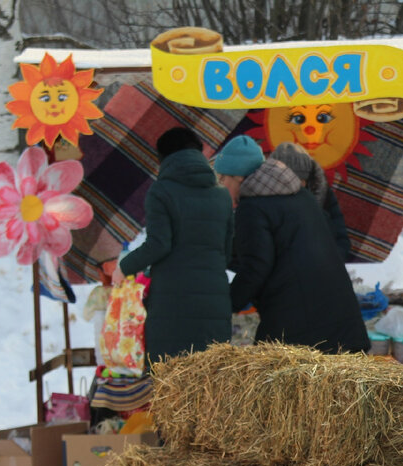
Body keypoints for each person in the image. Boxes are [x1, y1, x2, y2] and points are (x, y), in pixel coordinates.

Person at [214, 135, 369, 355]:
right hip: (340, 322)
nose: (221, 185)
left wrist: (225, 305)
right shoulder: (301, 196)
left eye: (223, 179)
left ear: (239, 177)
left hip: (299, 326)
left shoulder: (253, 207)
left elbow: (256, 266)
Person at [113, 126, 234, 367]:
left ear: (163, 158)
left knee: (171, 384)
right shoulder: (222, 196)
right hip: (215, 300)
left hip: (172, 303)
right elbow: (228, 252)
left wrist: (124, 266)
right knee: (212, 384)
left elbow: (159, 244)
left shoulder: (161, 191)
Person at [269, 142, 353, 263]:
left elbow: (341, 241)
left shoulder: (324, 198)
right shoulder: (262, 200)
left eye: (298, 180)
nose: (292, 185)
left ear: (306, 179)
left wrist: (325, 263)